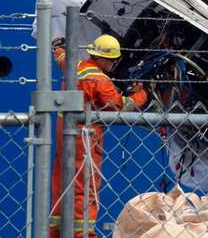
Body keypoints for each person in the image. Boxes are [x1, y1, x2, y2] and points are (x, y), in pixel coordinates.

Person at [49, 34, 148, 238]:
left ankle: (55, 233)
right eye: (112, 59)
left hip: (64, 132)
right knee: (84, 188)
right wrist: (141, 95)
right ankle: (82, 234)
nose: (114, 63)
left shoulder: (74, 66)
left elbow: (60, 56)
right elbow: (120, 106)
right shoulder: (100, 81)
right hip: (85, 137)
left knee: (61, 185)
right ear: (101, 58)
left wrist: (58, 48)